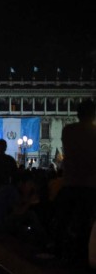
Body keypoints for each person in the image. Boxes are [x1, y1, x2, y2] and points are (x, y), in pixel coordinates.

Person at [50, 99, 96, 265]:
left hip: (70, 182)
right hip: (91, 184)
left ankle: (59, 251)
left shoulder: (69, 130)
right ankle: (83, 254)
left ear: (77, 114)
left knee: (64, 219)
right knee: (85, 221)